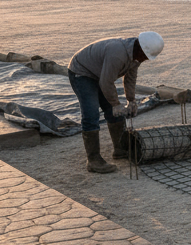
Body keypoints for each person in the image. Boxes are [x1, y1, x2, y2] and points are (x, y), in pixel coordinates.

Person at [67, 31, 165, 173]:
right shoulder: (117, 54)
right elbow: (106, 82)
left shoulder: (136, 56)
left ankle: (120, 149)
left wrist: (131, 100)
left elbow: (130, 78)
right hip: (82, 72)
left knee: (113, 111)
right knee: (91, 112)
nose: (145, 60)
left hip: (99, 73)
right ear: (140, 48)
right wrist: (116, 104)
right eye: (145, 57)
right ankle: (93, 160)